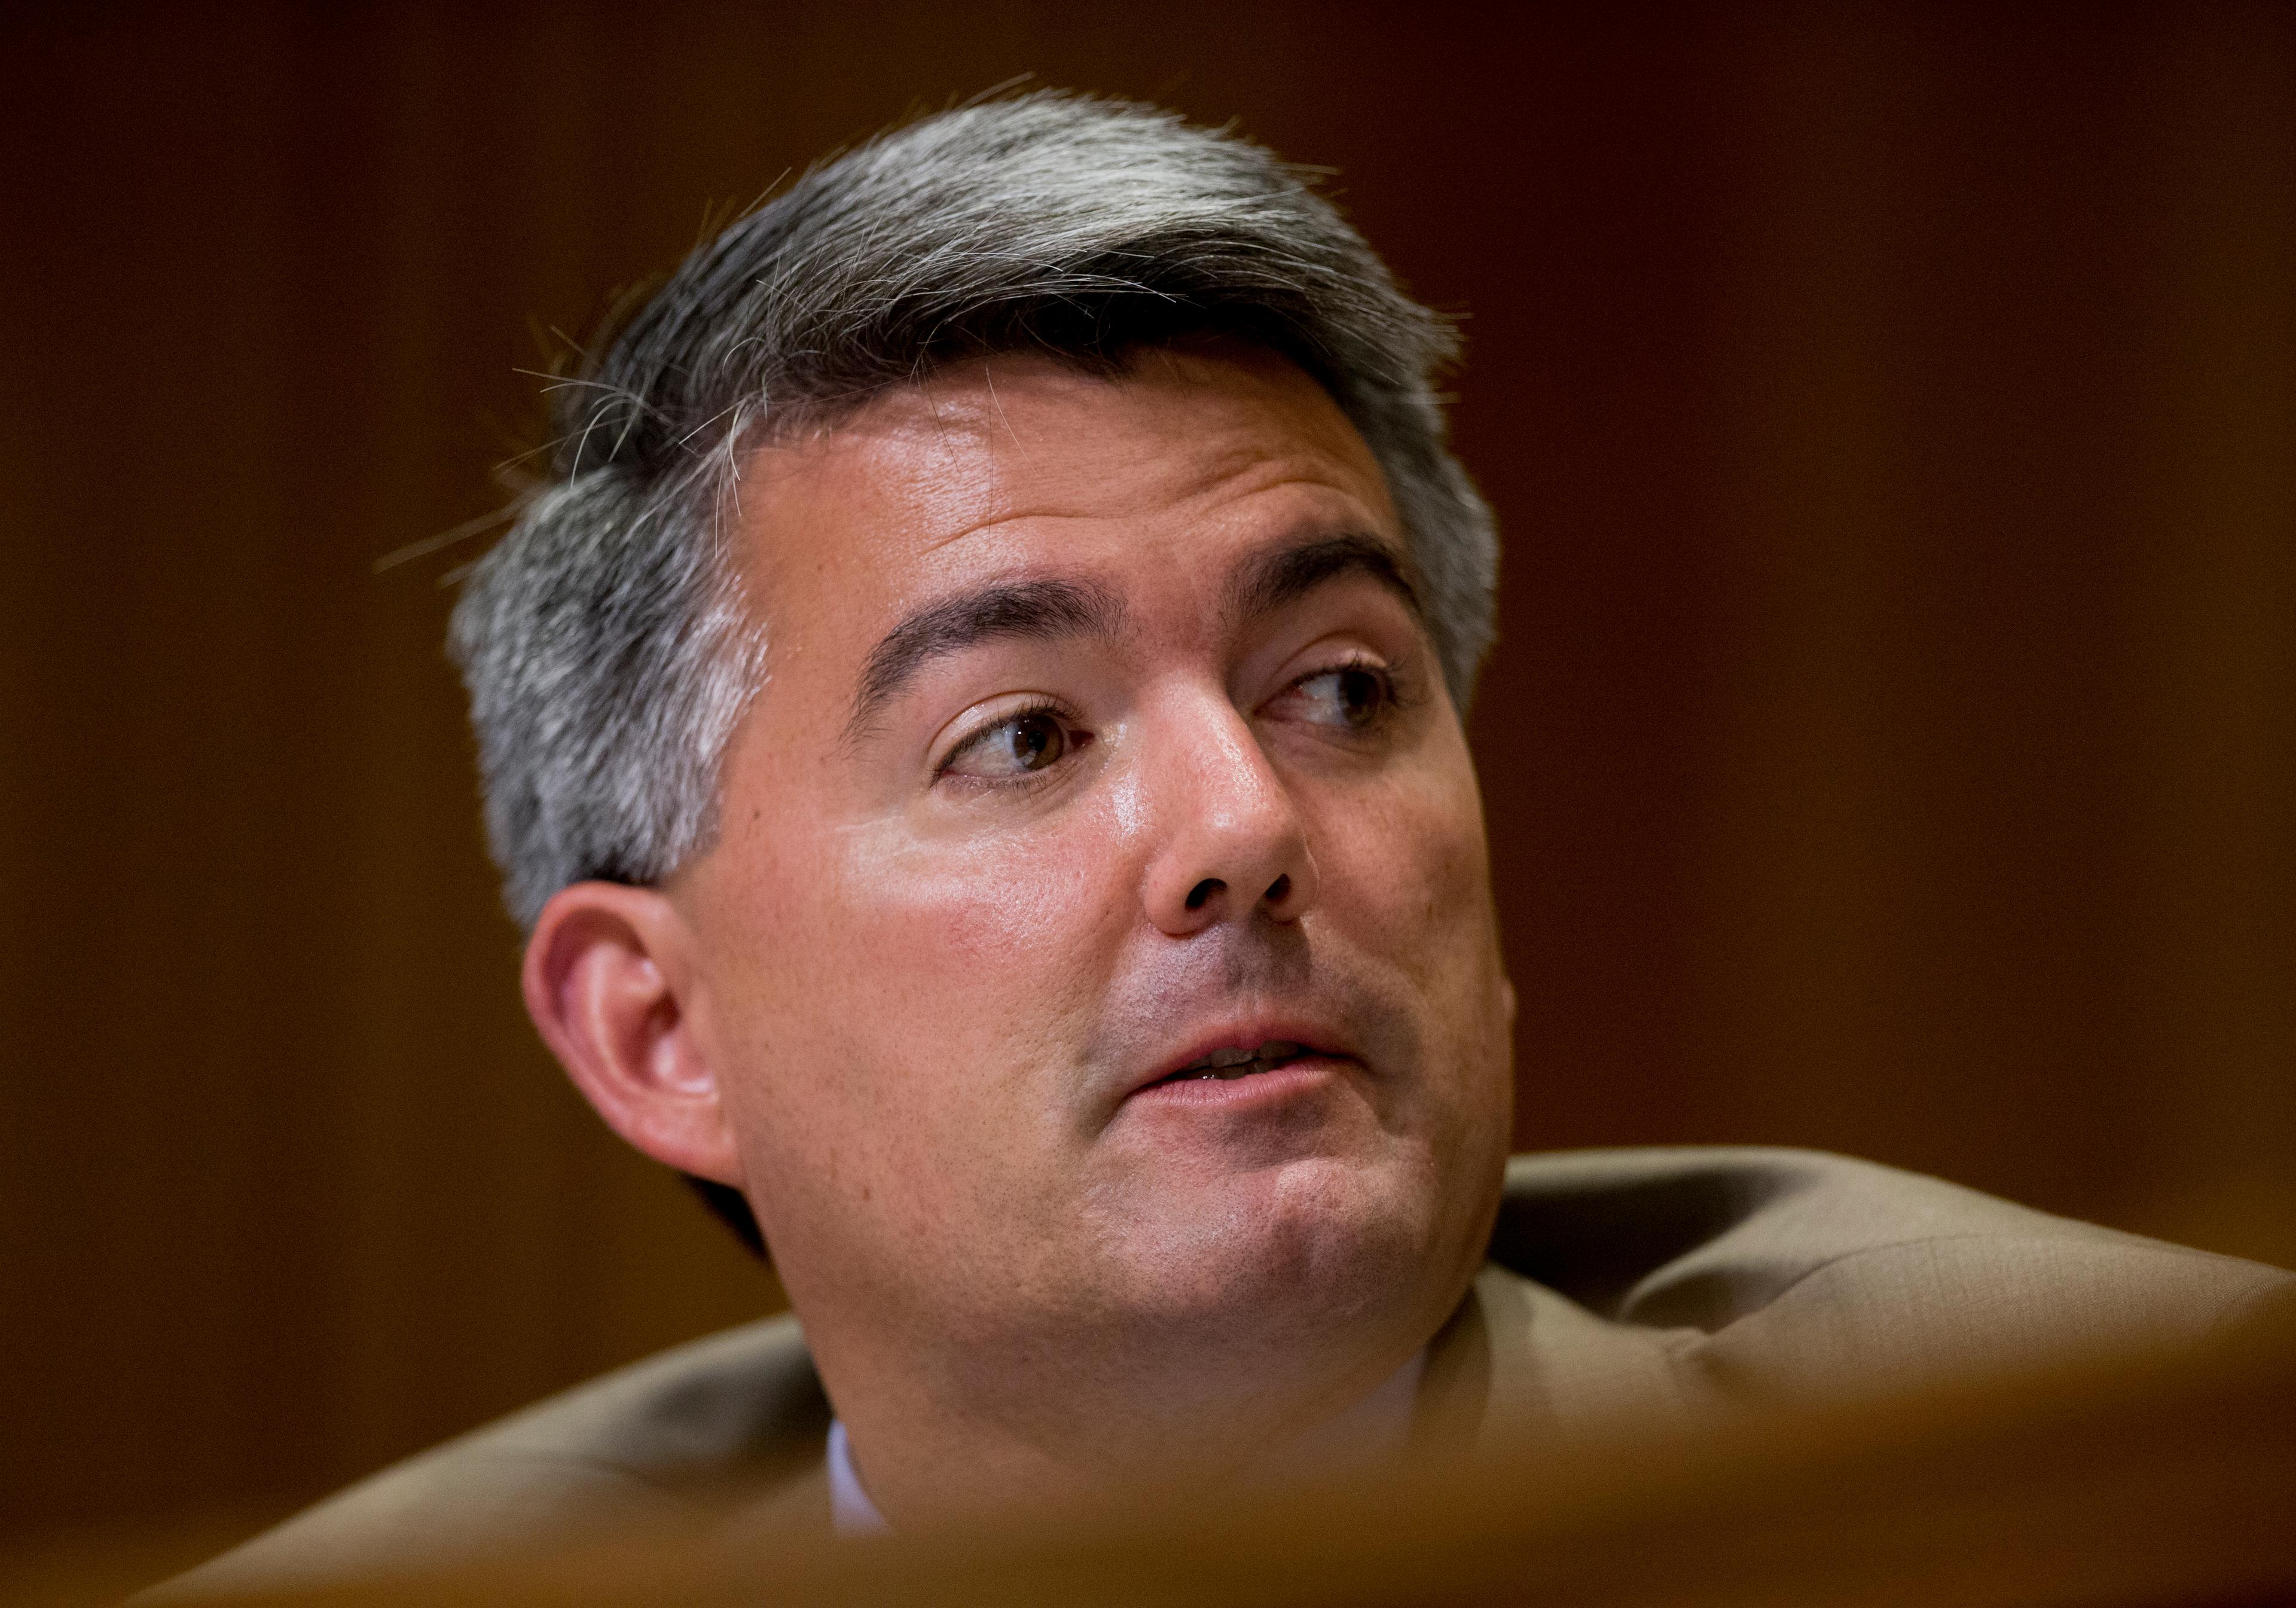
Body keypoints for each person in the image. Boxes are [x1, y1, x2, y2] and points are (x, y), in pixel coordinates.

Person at [157, 92, 2289, 1597]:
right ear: (659, 1030)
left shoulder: (2165, 1487)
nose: (1247, 825)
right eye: (1021, 735)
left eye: (1341, 688)